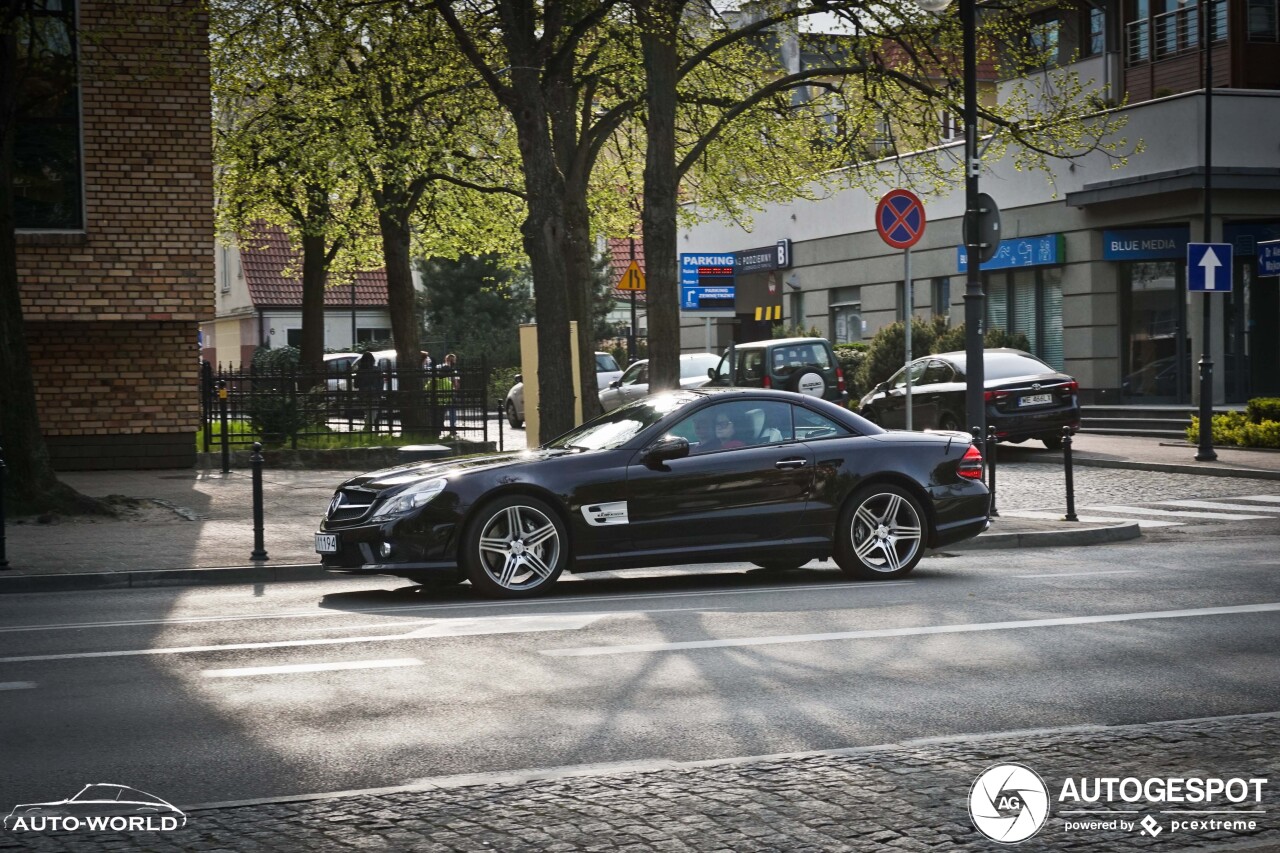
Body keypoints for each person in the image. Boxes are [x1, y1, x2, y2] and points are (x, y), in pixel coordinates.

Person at [354, 351, 382, 431]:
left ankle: (367, 426)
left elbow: (356, 385)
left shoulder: (360, 371)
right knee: (373, 411)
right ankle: (368, 426)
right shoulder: (377, 370)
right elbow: (381, 383)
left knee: (367, 411)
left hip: (364, 394)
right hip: (375, 394)